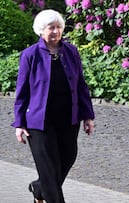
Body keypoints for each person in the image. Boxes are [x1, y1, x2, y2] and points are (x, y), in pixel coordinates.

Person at [12, 9, 95, 203]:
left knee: (67, 158)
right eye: (51, 28)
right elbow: (22, 91)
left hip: (68, 119)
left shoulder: (71, 52)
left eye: (59, 27)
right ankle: (48, 193)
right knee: (49, 170)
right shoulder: (30, 55)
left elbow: (81, 85)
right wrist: (19, 123)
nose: (56, 31)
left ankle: (38, 189)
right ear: (41, 30)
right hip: (39, 123)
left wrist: (88, 116)